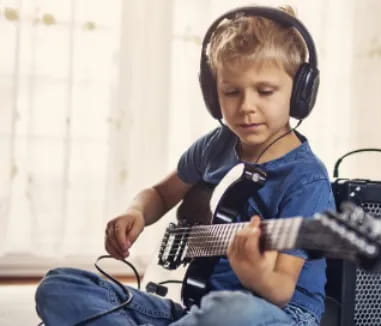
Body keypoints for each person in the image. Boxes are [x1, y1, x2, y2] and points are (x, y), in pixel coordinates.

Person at [35, 5, 335, 326]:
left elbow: (280, 293)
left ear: (301, 92)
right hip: (195, 310)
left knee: (232, 311)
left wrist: (256, 273)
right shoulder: (215, 145)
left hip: (276, 314)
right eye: (231, 92)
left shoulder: (306, 180)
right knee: (58, 287)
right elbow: (161, 194)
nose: (247, 106)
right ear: (211, 93)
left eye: (265, 91)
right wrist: (136, 212)